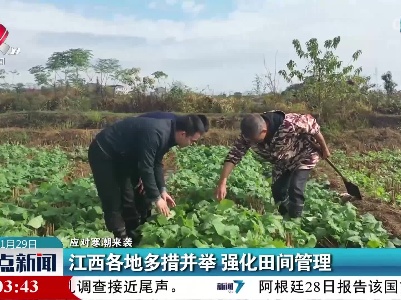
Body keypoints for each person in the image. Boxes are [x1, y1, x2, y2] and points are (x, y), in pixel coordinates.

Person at [88, 114, 207, 240]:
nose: (192, 144)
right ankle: (121, 241)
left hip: (122, 156)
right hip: (103, 152)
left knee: (128, 196)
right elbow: (146, 167)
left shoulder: (171, 134)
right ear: (183, 134)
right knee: (112, 200)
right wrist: (156, 198)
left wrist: (162, 190)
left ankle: (133, 236)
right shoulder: (157, 133)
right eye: (192, 141)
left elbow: (157, 162)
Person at [215, 110, 330, 219]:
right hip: (283, 161)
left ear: (264, 131)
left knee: (295, 187)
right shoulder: (249, 135)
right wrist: (222, 182)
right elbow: (234, 155)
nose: (253, 143)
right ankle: (285, 218)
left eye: (256, 141)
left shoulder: (290, 123)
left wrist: (324, 149)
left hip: (303, 156)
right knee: (277, 190)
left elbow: (314, 127)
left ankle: (295, 223)